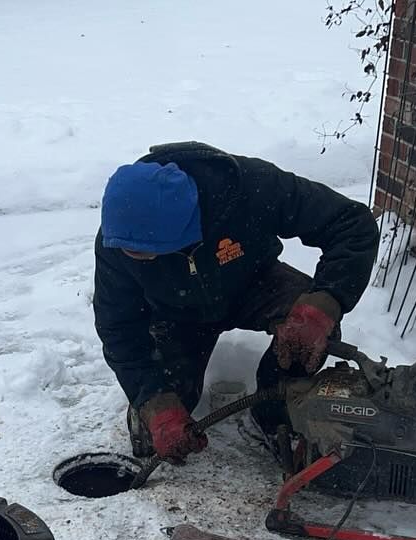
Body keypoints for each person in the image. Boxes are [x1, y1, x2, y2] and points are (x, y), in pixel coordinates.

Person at [92, 141, 381, 462]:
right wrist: (153, 401)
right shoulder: (117, 242)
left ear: (182, 229)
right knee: (159, 433)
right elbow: (118, 328)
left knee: (310, 336)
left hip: (253, 283)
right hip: (176, 313)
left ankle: (275, 415)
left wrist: (326, 301)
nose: (130, 256)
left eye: (142, 251)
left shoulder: (249, 188)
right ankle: (156, 412)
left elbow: (352, 223)